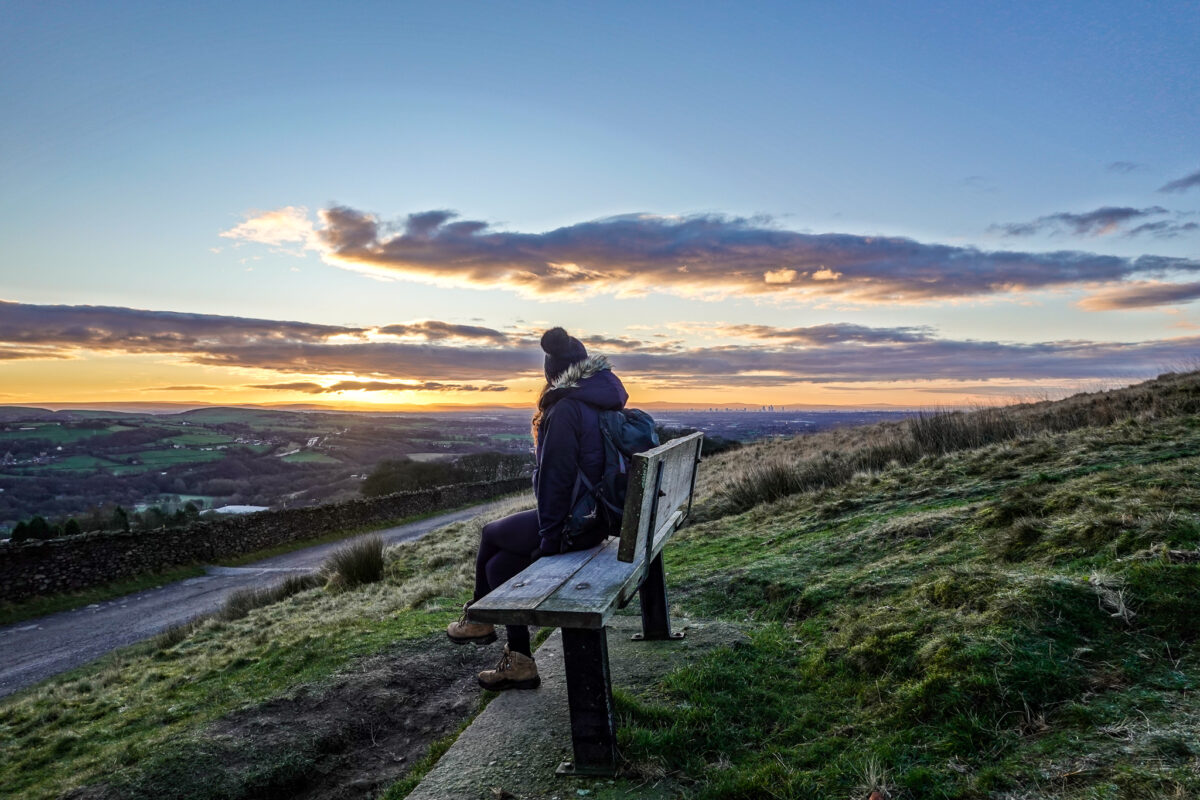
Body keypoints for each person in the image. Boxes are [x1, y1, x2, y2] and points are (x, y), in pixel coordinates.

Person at [446, 327, 628, 690]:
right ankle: (519, 662)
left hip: (576, 526)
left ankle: (478, 618)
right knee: (501, 565)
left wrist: (548, 538)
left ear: (552, 373)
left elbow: (555, 481)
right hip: (599, 520)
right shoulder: (604, 400)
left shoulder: (565, 409)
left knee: (490, 533)